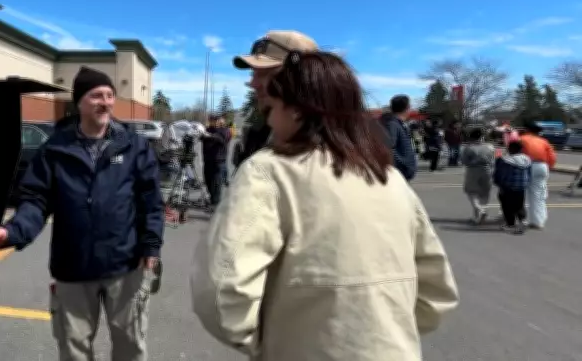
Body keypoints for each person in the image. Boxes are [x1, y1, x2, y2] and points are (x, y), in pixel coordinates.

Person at [190, 50, 459, 361]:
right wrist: (386, 334)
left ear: (297, 111)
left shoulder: (269, 170)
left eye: (273, 108)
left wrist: (268, 342)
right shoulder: (388, 176)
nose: (270, 118)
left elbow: (222, 289)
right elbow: (435, 289)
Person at [0, 67, 165, 361]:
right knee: (73, 350)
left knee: (130, 347)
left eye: (110, 96)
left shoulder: (133, 145)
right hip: (72, 268)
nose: (106, 102)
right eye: (97, 95)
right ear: (80, 102)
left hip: (126, 265)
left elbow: (151, 200)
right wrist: (11, 231)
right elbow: (35, 201)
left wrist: (151, 245)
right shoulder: (55, 149)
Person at [231, 30, 320, 169]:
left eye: (265, 73)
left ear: (301, 79)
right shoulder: (262, 132)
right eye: (253, 73)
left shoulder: (324, 153)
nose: (252, 83)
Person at [519, 121, 557, 229]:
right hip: (542, 166)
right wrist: (549, 166)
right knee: (539, 194)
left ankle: (532, 220)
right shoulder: (544, 141)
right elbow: (552, 157)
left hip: (528, 165)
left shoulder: (523, 139)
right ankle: (540, 219)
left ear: (527, 129)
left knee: (522, 193)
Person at [493, 140, 532, 234]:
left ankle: (510, 223)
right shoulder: (527, 159)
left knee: (506, 204)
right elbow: (529, 174)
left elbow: (501, 174)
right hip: (521, 186)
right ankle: (523, 220)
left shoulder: (505, 160)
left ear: (510, 148)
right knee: (519, 204)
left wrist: (499, 184)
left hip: (508, 186)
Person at [460, 128, 496, 224]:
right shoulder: (490, 147)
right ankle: (479, 215)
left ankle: (478, 209)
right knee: (485, 193)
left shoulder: (468, 148)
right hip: (487, 170)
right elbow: (493, 160)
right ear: (482, 137)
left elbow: (464, 161)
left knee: (471, 191)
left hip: (473, 170)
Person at [379, 95, 418, 180]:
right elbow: (388, 148)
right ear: (407, 108)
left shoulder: (398, 124)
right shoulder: (392, 124)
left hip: (401, 173)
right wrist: (403, 164)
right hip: (399, 173)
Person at [201, 114, 231, 207]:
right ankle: (212, 200)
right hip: (207, 160)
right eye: (210, 120)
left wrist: (210, 135)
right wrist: (201, 134)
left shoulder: (224, 130)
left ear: (218, 121)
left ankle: (216, 204)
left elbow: (222, 139)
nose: (211, 122)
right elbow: (202, 138)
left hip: (218, 161)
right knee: (208, 181)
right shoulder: (208, 129)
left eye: (213, 120)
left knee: (216, 184)